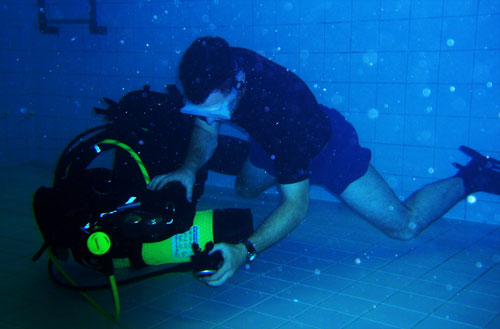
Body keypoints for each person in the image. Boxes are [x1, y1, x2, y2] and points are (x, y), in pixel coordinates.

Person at [148, 36, 500, 286]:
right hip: (271, 142)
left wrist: (245, 250)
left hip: (327, 146)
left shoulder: (284, 116)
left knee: (404, 227)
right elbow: (205, 129)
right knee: (245, 189)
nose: (211, 116)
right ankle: (274, 168)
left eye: (214, 108)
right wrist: (187, 168)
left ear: (235, 85)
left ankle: (476, 176)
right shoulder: (220, 64)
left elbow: (297, 207)